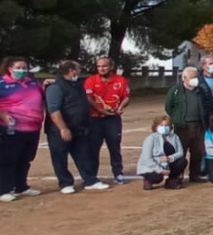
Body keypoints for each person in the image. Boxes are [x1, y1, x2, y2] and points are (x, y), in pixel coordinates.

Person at [45, 60, 108, 194]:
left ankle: (90, 180)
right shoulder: (55, 87)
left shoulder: (78, 84)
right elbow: (54, 110)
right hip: (59, 130)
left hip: (79, 128)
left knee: (83, 155)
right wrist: (63, 128)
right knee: (60, 157)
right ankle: (65, 183)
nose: (80, 71)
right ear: (72, 71)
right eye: (79, 68)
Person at [0, 56, 45, 202]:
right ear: (10, 68)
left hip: (33, 128)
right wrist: (3, 115)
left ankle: (21, 186)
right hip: (12, 128)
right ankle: (4, 189)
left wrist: (47, 83)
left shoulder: (32, 82)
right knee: (9, 159)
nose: (22, 70)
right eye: (18, 67)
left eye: (24, 67)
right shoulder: (2, 83)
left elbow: (41, 95)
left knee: (26, 159)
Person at [84, 56, 130, 184]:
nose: (101, 69)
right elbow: (88, 98)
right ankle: (92, 175)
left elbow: (126, 97)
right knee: (93, 148)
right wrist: (101, 110)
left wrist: (121, 107)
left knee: (115, 147)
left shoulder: (121, 80)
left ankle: (118, 173)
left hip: (113, 119)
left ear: (111, 67)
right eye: (99, 66)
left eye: (104, 66)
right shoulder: (90, 80)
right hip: (94, 120)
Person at [165, 66, 207, 183]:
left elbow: (206, 105)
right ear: (184, 78)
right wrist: (177, 119)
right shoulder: (175, 90)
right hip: (182, 127)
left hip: (198, 126)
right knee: (181, 152)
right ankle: (178, 175)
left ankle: (195, 174)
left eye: (196, 77)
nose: (196, 79)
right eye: (193, 77)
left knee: (198, 152)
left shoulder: (201, 90)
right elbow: (169, 107)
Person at [136, 116, 187, 190]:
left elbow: (180, 152)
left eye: (166, 125)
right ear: (156, 127)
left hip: (167, 163)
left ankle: (171, 181)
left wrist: (170, 158)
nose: (164, 127)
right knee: (158, 178)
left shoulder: (175, 137)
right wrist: (160, 170)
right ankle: (147, 180)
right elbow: (147, 158)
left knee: (182, 161)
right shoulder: (150, 138)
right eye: (162, 125)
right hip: (152, 165)